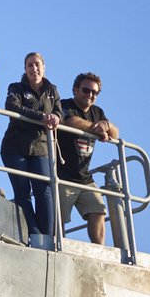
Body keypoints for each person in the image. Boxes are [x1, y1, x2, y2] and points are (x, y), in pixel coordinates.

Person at [1, 53, 62, 238]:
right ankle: (33, 233)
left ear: (44, 66)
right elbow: (12, 107)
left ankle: (47, 236)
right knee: (22, 193)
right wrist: (42, 117)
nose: (34, 69)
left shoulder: (52, 90)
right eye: (30, 65)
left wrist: (56, 117)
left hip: (41, 147)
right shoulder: (16, 87)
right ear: (25, 68)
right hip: (15, 147)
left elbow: (59, 111)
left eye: (37, 65)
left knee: (45, 191)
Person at [58, 72, 119, 245]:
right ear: (75, 90)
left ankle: (98, 250)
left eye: (95, 93)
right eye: (86, 90)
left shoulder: (97, 112)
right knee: (59, 216)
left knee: (98, 210)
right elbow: (69, 121)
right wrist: (95, 128)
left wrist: (106, 125)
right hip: (63, 175)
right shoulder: (65, 105)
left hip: (84, 177)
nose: (90, 95)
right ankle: (59, 248)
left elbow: (115, 134)